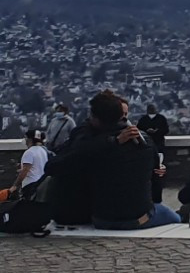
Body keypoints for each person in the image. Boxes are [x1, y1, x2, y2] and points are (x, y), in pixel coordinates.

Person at [48, 91, 180, 230]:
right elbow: (155, 180)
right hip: (139, 217)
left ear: (96, 119)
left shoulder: (91, 147)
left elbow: (54, 166)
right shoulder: (144, 140)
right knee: (175, 219)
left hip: (101, 217)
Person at [137, 103, 171, 202]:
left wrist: (156, 131)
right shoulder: (144, 119)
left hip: (158, 145)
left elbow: (165, 130)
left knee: (159, 167)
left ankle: (160, 183)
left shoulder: (161, 119)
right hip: (147, 146)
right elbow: (139, 130)